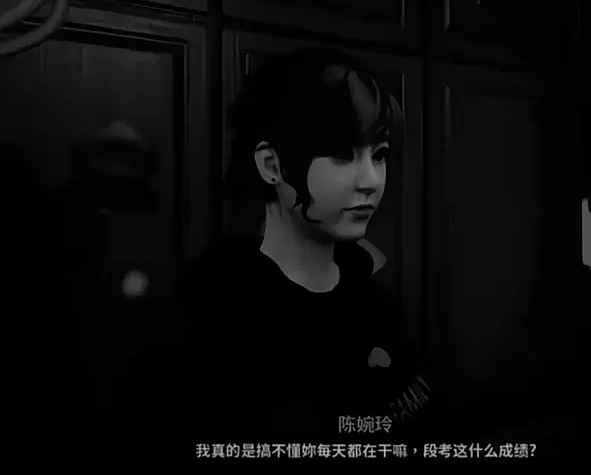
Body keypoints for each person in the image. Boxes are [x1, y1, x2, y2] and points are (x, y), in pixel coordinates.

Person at [129, 46, 431, 451]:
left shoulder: (381, 309)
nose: (371, 180)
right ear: (272, 165)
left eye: (379, 155)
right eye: (342, 154)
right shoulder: (209, 325)